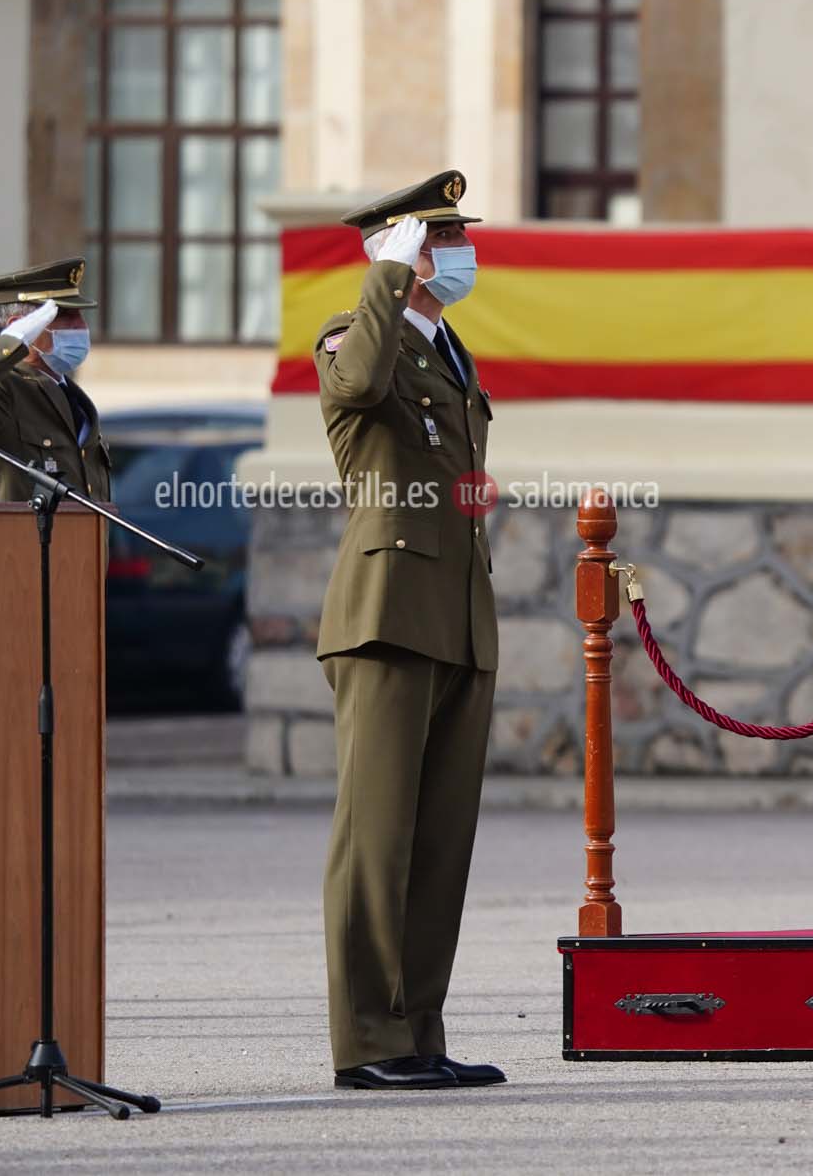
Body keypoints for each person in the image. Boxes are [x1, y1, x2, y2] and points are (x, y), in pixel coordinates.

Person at [315, 169, 504, 1089]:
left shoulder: (451, 353)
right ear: (401, 250)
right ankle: (367, 1042)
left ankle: (418, 1029)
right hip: (387, 614)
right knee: (376, 836)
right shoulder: (353, 337)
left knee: (438, 841)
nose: (462, 250)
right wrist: (384, 278)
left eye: (460, 235)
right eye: (442, 237)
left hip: (457, 614)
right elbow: (358, 387)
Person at [0, 258, 110, 503]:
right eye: (64, 315)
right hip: (16, 530)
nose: (81, 326)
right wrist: (10, 342)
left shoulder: (73, 398)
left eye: (80, 315)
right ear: (22, 327)